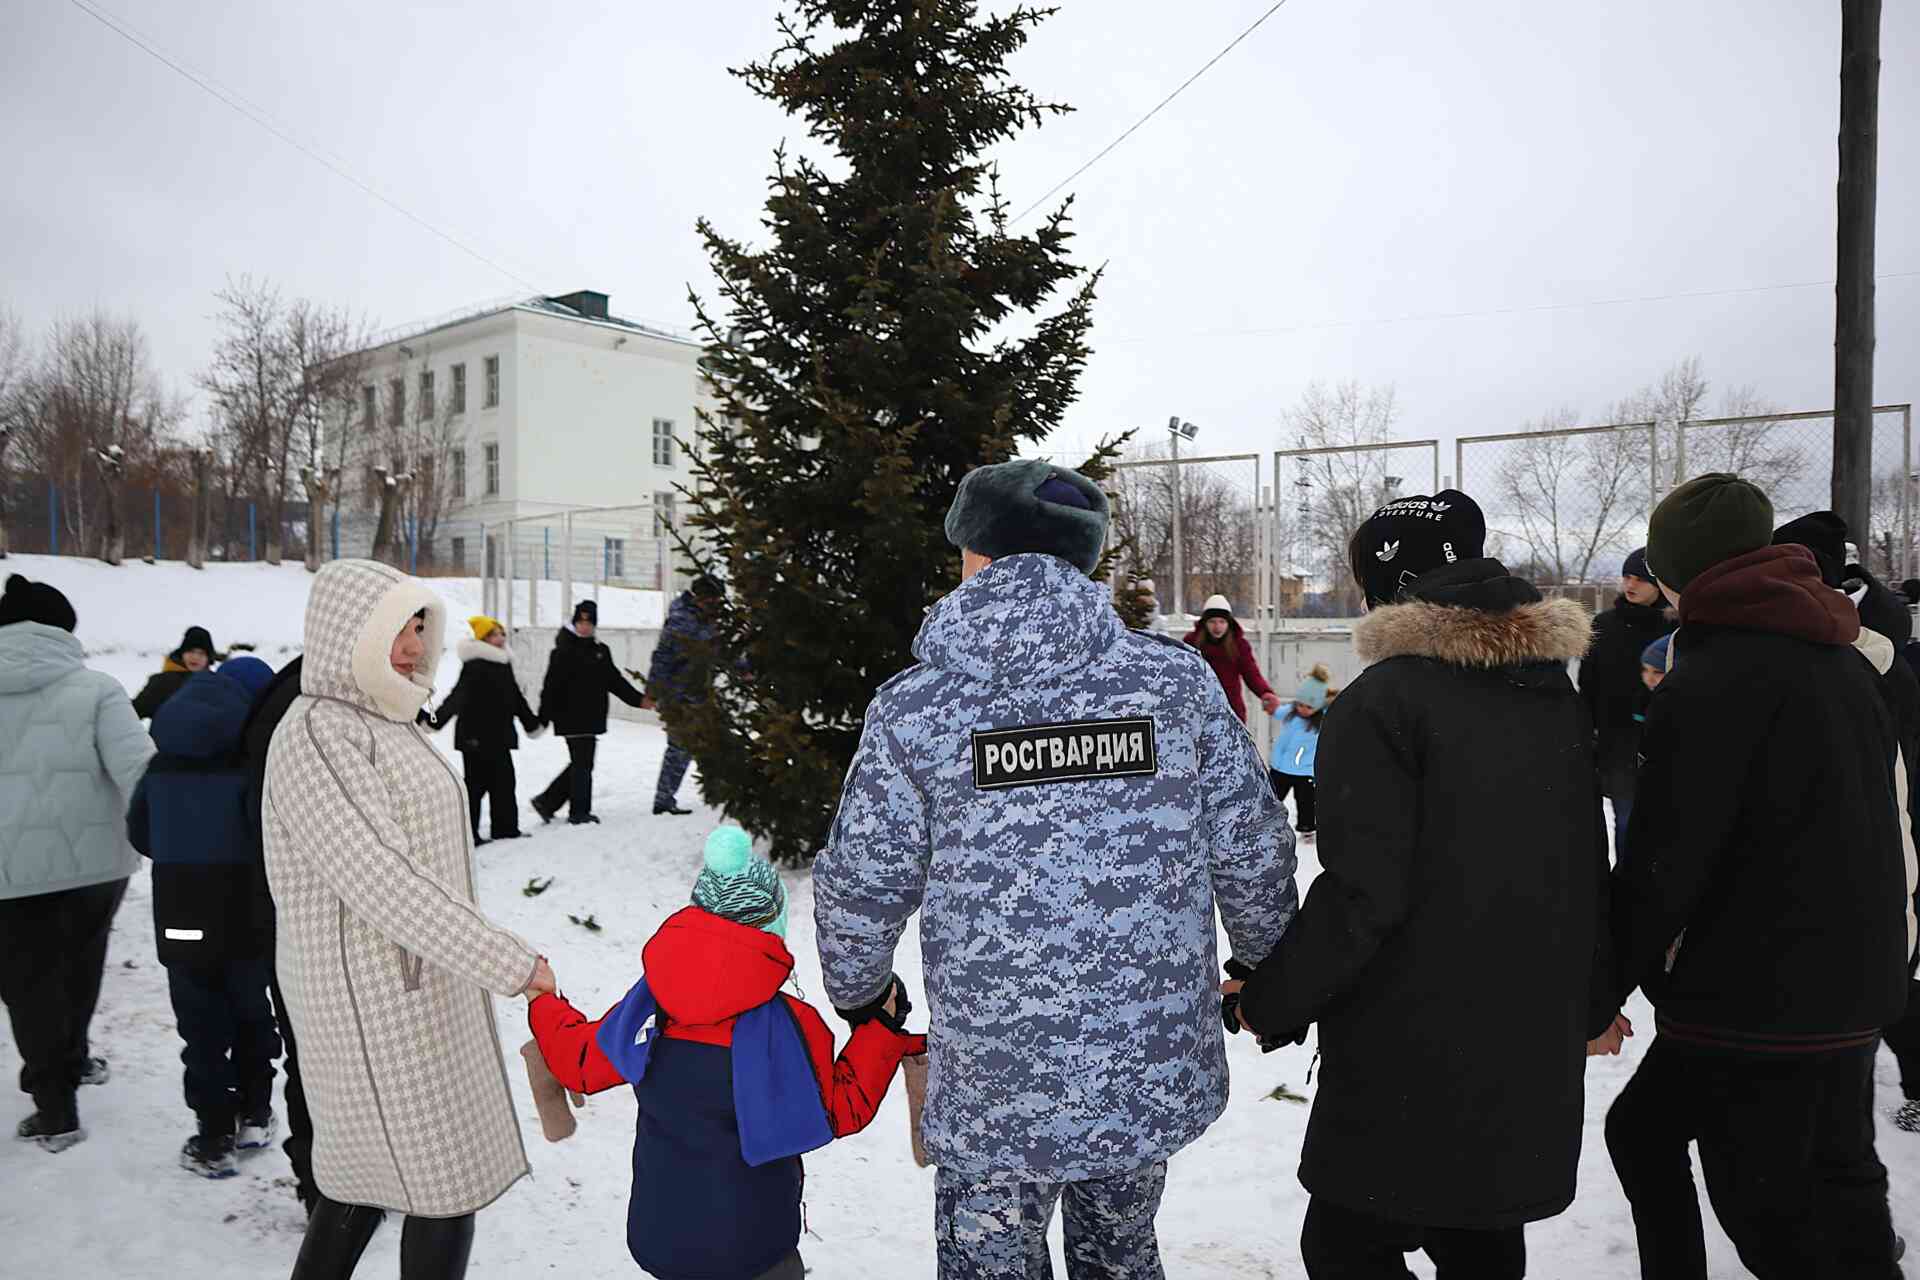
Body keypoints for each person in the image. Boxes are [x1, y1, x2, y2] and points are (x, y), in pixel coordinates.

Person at [815, 459, 1297, 1278]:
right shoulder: (1172, 684)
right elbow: (1253, 843)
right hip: (1143, 1071)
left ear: (974, 554)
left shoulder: (919, 705)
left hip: (995, 1084)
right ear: (1085, 560)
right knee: (1121, 1255)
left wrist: (862, 992)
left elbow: (862, 878)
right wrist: (1259, 961)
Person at [1228, 490, 1611, 1279]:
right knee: (1481, 1235)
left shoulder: (1386, 701)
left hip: (1413, 1047)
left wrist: (1273, 998)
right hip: (1525, 1034)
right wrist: (1593, 995)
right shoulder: (1551, 692)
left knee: (1345, 1246)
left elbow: (1363, 893)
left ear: (1386, 590)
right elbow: (1584, 866)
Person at [1601, 476, 1907, 1280]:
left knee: (1773, 1218)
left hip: (1760, 996)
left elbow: (1663, 867)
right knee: (1821, 1173)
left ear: (1683, 573)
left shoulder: (1711, 682)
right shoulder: (1838, 658)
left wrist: (1594, 995)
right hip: (1852, 977)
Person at [262, 559, 557, 1279]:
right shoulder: (320, 733)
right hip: (368, 1000)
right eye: (398, 626)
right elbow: (380, 877)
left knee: (376, 1183)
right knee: (436, 1185)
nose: (416, 644)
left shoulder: (386, 721)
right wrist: (511, 962)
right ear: (347, 631)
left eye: (422, 625)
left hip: (418, 988)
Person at [528, 825, 926, 1280]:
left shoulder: (651, 1007)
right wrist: (882, 1028)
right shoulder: (787, 1025)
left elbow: (579, 1061)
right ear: (768, 934)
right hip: (755, 1250)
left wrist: (544, 1001)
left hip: (664, 1242)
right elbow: (841, 1108)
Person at [0, 574, 153, 1153]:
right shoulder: (97, 690)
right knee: (79, 967)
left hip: (7, 877)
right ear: (63, 629)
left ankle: (55, 1106)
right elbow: (139, 770)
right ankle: (74, 1059)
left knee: (27, 985)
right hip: (95, 867)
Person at [126, 655, 282, 1180]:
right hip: (244, 909)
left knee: (200, 1021)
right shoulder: (250, 766)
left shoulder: (161, 765)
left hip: (180, 908)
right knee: (250, 1010)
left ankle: (213, 1133)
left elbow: (138, 833)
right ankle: (256, 1112)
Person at [239, 653, 318, 1212]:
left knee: (311, 1054)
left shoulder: (289, 697)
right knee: (316, 1054)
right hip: (300, 919)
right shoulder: (307, 711)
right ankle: (325, 1187)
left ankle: (330, 1185)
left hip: (280, 910)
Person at [1579, 548, 1675, 856]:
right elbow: (1588, 685)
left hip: (1665, 742)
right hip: (1618, 744)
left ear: (1659, 584)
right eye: (1626, 577)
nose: (1631, 585)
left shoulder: (1675, 629)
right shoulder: (1604, 625)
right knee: (1627, 822)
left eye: (1641, 579)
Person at [431, 615, 543, 844]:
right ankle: (468, 834)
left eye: (502, 633)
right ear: (483, 639)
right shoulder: (476, 665)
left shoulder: (502, 664)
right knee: (475, 787)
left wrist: (531, 723)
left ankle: (505, 828)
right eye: (494, 634)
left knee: (503, 783)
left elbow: (515, 698)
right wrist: (435, 721)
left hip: (498, 736)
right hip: (475, 738)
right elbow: (457, 697)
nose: (501, 638)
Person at [535, 599, 646, 825]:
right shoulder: (562, 652)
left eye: (589, 622)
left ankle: (547, 802)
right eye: (580, 621)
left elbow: (615, 682)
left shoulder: (600, 651)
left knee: (582, 763)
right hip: (569, 715)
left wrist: (639, 701)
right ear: (574, 623)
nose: (584, 626)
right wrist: (543, 718)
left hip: (591, 716)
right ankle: (579, 812)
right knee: (583, 764)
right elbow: (550, 687)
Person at [642, 576, 726, 817]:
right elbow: (662, 657)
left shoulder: (705, 618)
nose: (717, 604)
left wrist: (744, 668)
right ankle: (663, 800)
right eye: (713, 599)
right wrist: (653, 691)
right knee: (679, 748)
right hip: (679, 695)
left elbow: (720, 650)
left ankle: (713, 793)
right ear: (701, 598)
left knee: (703, 743)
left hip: (699, 692)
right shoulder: (681, 620)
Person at [1182, 594, 1282, 722]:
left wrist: (1265, 693)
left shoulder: (1239, 645)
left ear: (1229, 623)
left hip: (1231, 709)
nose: (1217, 627)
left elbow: (1251, 673)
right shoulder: (1192, 643)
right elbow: (1182, 673)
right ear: (1205, 623)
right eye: (1212, 622)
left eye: (1222, 622)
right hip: (1199, 709)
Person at [1267, 664, 1335, 844]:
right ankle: (1265, 821)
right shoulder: (1291, 712)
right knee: (1272, 796)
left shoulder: (1323, 720)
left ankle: (1307, 828)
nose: (1303, 709)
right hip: (1280, 766)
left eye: (1309, 706)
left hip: (1304, 771)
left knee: (1305, 801)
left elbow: (1336, 714)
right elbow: (1277, 712)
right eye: (1300, 704)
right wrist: (1270, 705)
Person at [132, 625, 219, 720]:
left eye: (201, 653)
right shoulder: (163, 681)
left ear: (208, 658)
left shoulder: (215, 684)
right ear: (182, 653)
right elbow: (134, 712)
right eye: (191, 651)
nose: (195, 657)